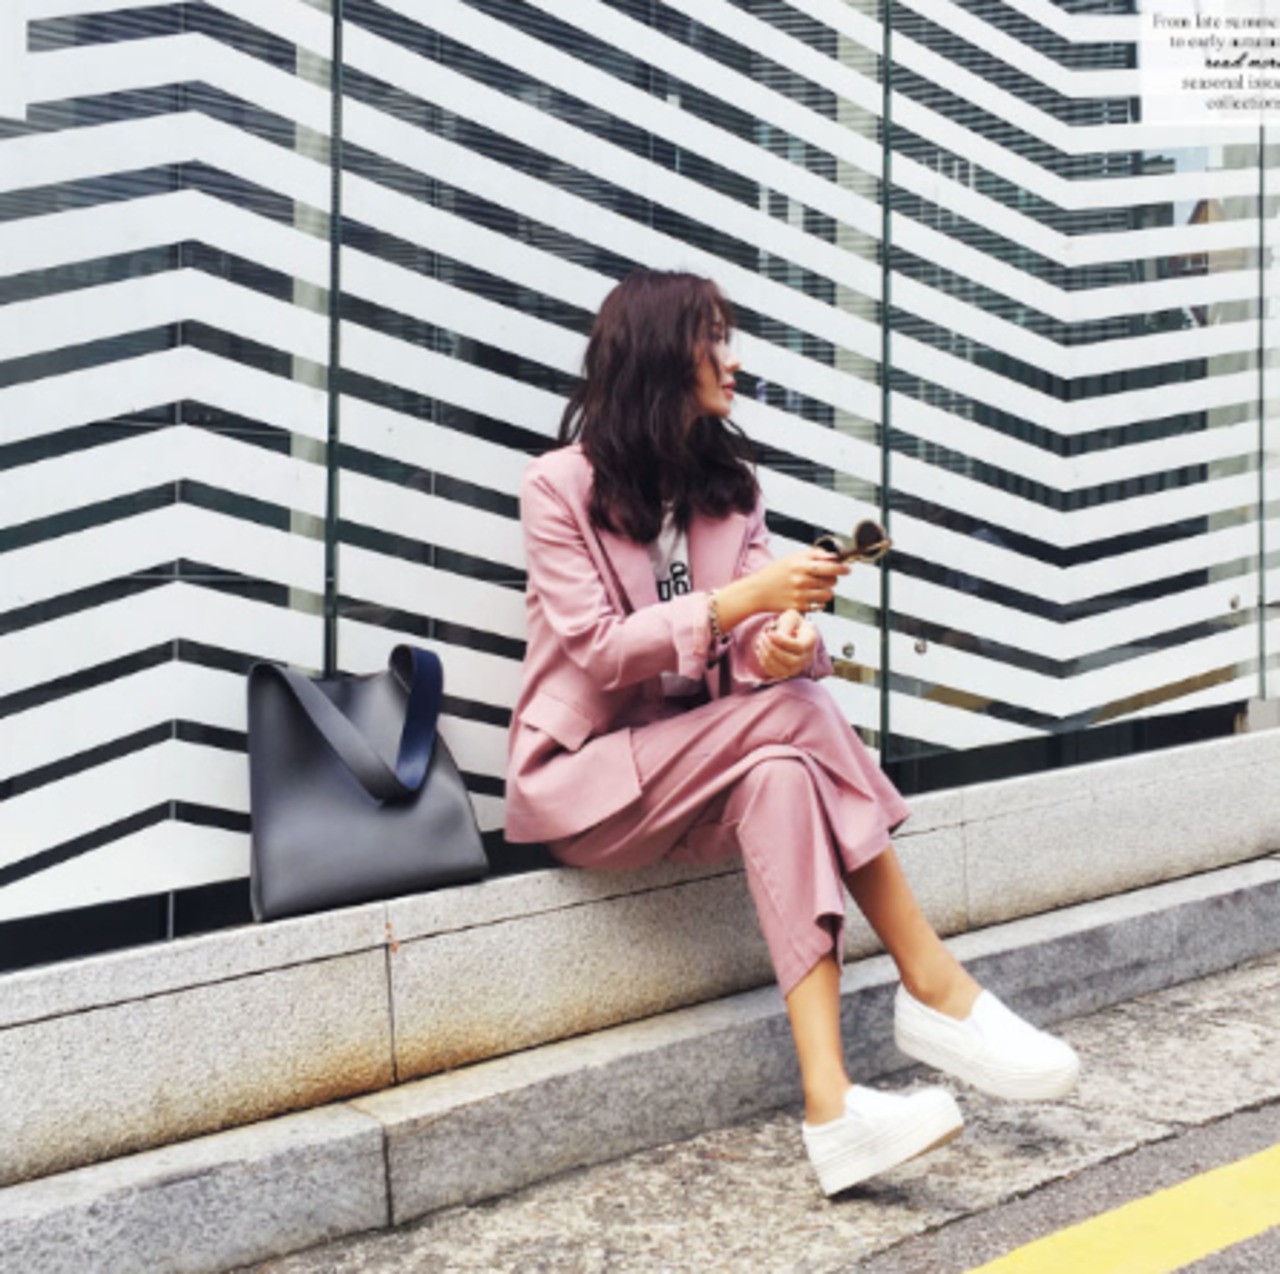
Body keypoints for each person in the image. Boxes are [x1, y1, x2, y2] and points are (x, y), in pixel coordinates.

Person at [504, 270, 1079, 1197]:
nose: (734, 360)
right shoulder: (557, 487)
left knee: (782, 769)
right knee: (795, 721)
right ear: (661, 354)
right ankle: (934, 984)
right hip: (591, 787)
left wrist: (783, 644)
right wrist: (744, 604)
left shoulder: (729, 493)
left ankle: (832, 1108)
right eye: (715, 339)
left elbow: (755, 651)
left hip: (705, 770)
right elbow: (601, 652)